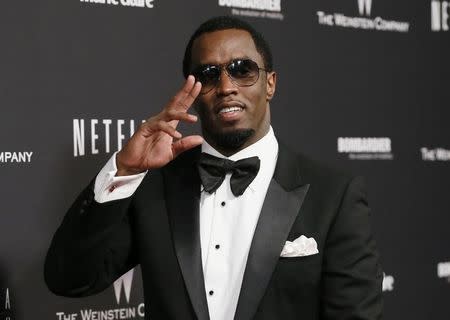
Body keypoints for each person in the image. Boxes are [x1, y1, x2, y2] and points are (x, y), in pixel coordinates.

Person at [45, 16, 383, 320]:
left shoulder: (333, 195)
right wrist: (124, 169)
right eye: (208, 74)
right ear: (192, 90)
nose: (226, 87)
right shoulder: (155, 187)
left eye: (243, 70)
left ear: (271, 83)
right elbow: (70, 279)